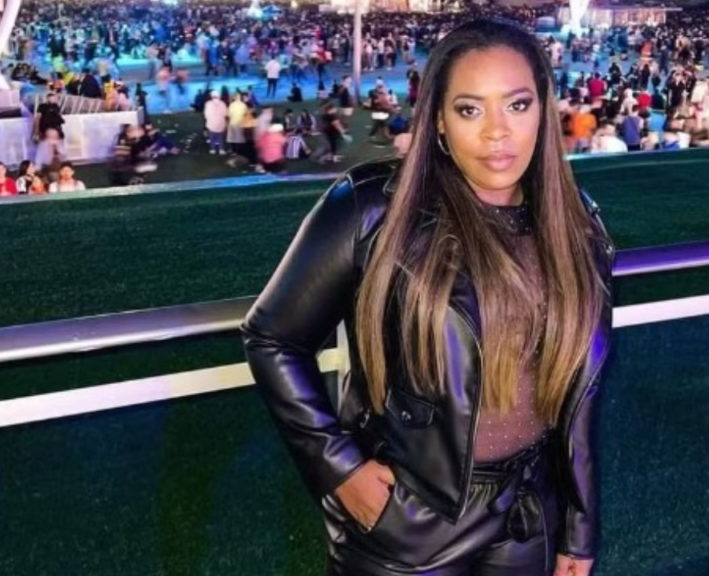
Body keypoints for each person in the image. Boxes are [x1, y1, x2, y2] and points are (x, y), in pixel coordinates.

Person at [242, 19, 613, 576]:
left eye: (517, 105)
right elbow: (272, 337)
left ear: (543, 108)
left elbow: (578, 397)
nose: (497, 132)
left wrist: (579, 531)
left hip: (529, 515)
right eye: (470, 109)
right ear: (438, 118)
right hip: (410, 519)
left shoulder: (576, 223)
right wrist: (340, 469)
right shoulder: (373, 210)